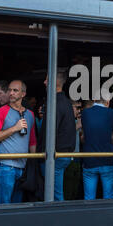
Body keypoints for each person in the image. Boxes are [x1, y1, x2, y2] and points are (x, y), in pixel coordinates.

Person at [0, 80, 37, 204]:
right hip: (5, 167)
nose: (11, 93)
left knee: (17, 206)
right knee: (4, 206)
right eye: (9, 90)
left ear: (23, 94)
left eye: (15, 90)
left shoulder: (30, 114)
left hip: (22, 168)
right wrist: (15, 128)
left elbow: (32, 140)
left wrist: (33, 165)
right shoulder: (1, 112)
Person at [37, 72, 76, 201]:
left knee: (54, 195)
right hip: (62, 154)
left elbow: (50, 131)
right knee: (55, 192)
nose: (44, 82)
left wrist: (41, 154)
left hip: (54, 155)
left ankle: (59, 219)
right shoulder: (65, 102)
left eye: (47, 79)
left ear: (55, 82)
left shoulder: (56, 103)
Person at [80, 92, 113, 200]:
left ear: (95, 100)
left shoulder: (85, 113)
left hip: (89, 160)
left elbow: (83, 136)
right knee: (109, 197)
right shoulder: (111, 113)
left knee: (89, 198)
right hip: (107, 159)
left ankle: (90, 216)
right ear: (107, 101)